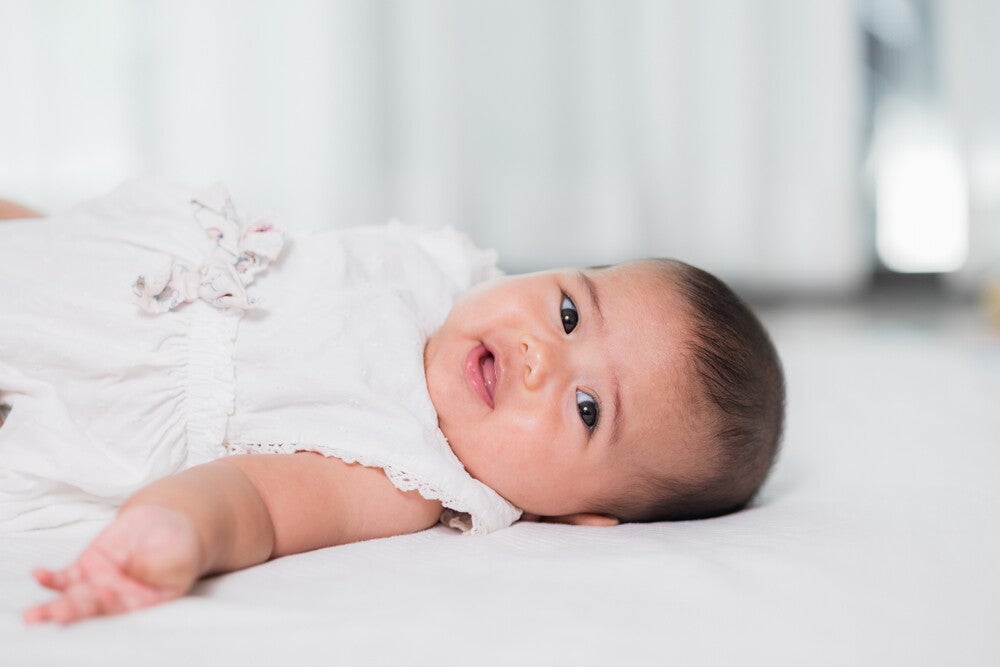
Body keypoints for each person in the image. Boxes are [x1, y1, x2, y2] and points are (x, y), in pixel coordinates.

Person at [0, 181, 784, 624]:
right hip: (108, 258)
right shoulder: (437, 270)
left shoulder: (402, 469)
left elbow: (255, 502)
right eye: (570, 311)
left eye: (588, 408)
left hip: (78, 382)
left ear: (578, 514)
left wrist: (179, 528)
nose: (541, 354)